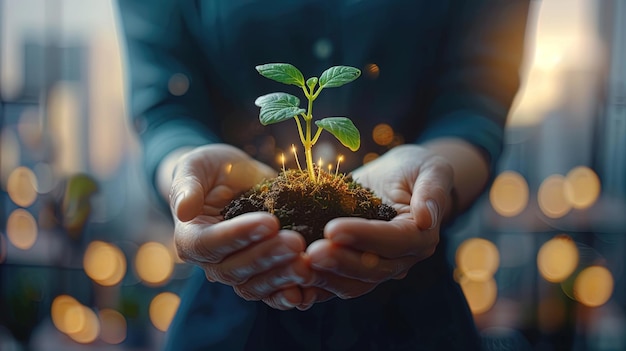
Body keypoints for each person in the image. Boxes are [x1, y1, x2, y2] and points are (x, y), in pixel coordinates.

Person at [117, 0, 531, 349]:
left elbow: (474, 103)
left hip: (417, 320)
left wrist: (434, 183)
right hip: (226, 324)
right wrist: (186, 172)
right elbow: (167, 108)